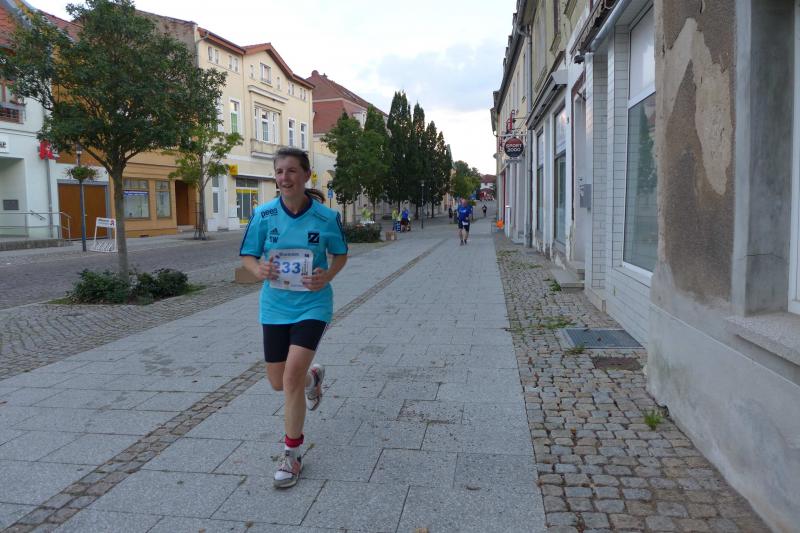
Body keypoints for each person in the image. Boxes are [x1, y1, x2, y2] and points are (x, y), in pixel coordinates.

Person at [239, 147, 348, 489]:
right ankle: (313, 378)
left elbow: (340, 255)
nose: (284, 177)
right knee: (278, 382)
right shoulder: (264, 214)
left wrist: (326, 276)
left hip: (312, 305)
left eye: (291, 171)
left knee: (290, 377)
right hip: (275, 306)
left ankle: (292, 454)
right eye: (279, 171)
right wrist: (259, 270)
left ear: (306, 175)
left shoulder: (326, 218)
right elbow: (248, 256)